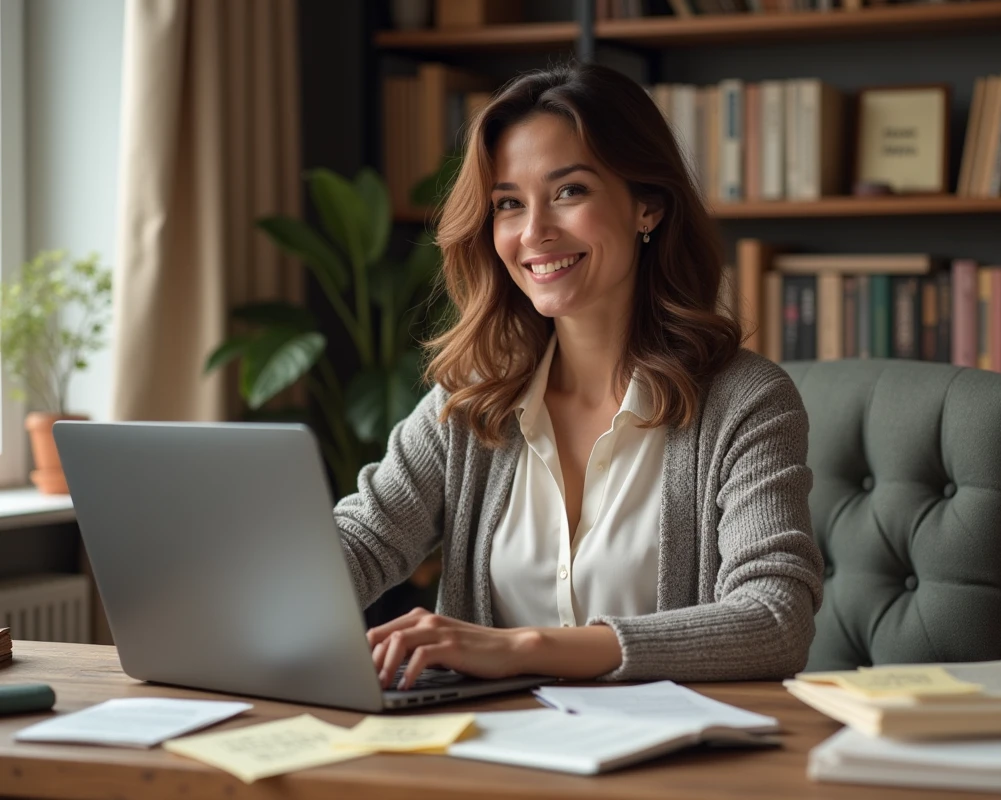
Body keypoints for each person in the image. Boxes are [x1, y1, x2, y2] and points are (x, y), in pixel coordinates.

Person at [335, 62, 823, 691]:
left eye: (569, 192)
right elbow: (365, 540)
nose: (533, 232)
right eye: (508, 204)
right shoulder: (472, 398)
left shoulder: (745, 403)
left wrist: (524, 648)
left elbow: (774, 620)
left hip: (670, 770)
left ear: (647, 206)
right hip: (486, 760)